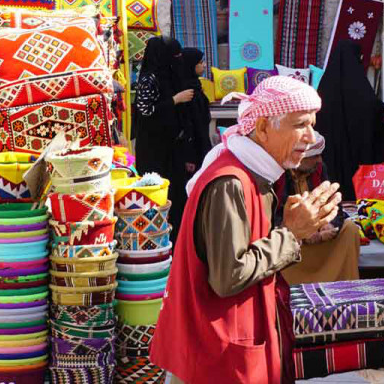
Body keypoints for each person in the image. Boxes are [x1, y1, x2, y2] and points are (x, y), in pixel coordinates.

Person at [152, 76, 342, 384]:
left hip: (226, 346)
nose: (311, 137)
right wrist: (291, 234)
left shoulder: (253, 174)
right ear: (264, 127)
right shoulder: (231, 182)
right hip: (216, 354)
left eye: (312, 125)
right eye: (300, 125)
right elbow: (229, 275)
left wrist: (291, 229)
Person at [281, 135, 361, 285]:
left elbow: (335, 205)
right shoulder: (278, 174)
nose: (319, 160)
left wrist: (330, 224)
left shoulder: (319, 168)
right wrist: (303, 233)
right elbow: (275, 215)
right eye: (314, 156)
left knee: (350, 229)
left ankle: (344, 288)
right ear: (298, 157)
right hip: (292, 234)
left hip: (318, 230)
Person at [316, 41, 384, 200]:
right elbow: (373, 109)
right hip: (357, 153)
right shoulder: (360, 87)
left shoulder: (325, 87)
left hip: (333, 154)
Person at [133, 37, 192, 199]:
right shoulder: (149, 79)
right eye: (174, 54)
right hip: (152, 146)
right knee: (155, 189)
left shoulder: (166, 75)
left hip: (168, 143)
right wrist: (175, 99)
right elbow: (145, 110)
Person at [170, 47, 213, 244]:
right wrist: (190, 157)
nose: (203, 66)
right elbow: (187, 127)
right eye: (200, 63)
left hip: (200, 148)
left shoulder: (194, 87)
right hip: (192, 153)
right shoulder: (187, 91)